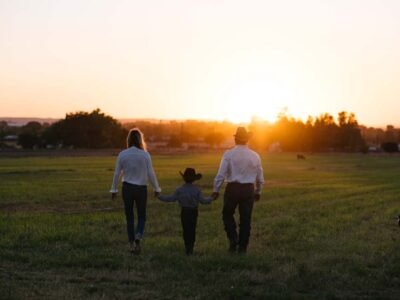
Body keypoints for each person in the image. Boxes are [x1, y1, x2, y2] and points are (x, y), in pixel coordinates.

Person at [212, 127, 265, 254]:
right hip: (248, 189)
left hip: (233, 189)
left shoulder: (228, 154)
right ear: (247, 140)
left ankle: (233, 238)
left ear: (235, 139)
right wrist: (258, 191)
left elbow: (221, 174)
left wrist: (216, 190)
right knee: (246, 219)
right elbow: (260, 177)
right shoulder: (255, 156)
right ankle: (242, 248)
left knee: (227, 214)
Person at [110, 128, 161, 254]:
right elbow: (150, 173)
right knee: (142, 216)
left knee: (129, 217)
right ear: (140, 140)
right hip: (141, 189)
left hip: (127, 188)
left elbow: (117, 173)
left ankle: (132, 243)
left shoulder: (123, 154)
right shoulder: (145, 155)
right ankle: (138, 234)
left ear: (128, 139)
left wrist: (114, 189)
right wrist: (156, 188)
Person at [157, 168, 214, 255]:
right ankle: (191, 247)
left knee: (186, 230)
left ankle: (187, 247)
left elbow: (170, 198)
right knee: (192, 229)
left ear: (184, 178)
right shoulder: (197, 190)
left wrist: (159, 196)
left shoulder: (180, 190)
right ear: (194, 179)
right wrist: (212, 198)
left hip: (184, 212)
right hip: (194, 212)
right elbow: (204, 201)